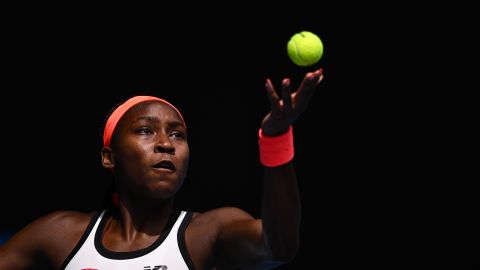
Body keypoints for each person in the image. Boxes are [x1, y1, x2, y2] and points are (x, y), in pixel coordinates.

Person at [0, 68, 324, 270]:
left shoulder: (207, 233)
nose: (166, 144)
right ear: (108, 157)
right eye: (145, 130)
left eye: (177, 135)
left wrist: (276, 138)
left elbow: (280, 246)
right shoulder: (59, 235)